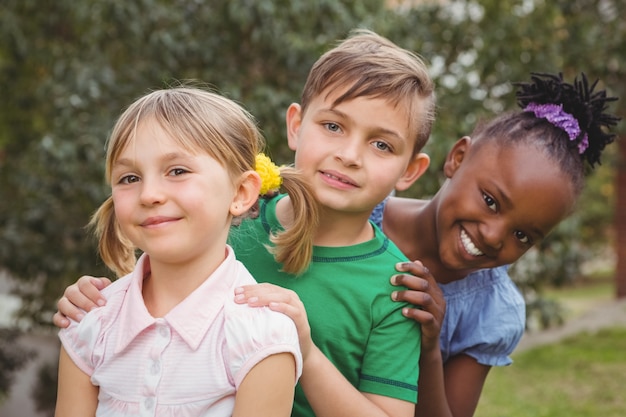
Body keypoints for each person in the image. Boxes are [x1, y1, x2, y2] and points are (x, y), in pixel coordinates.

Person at [53, 29, 435, 417]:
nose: (349, 154)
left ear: (411, 170)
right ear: (295, 125)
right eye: (333, 126)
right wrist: (95, 301)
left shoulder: (396, 286)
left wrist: (306, 351)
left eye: (382, 144)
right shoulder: (229, 220)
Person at [377, 71, 620, 417]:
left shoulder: (489, 312)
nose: (493, 237)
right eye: (491, 201)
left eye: (522, 236)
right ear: (458, 158)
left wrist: (429, 348)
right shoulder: (354, 213)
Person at [54, 87, 308, 417]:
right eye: (129, 177)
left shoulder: (262, 333)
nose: (149, 194)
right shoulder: (91, 321)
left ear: (242, 192)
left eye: (177, 171)